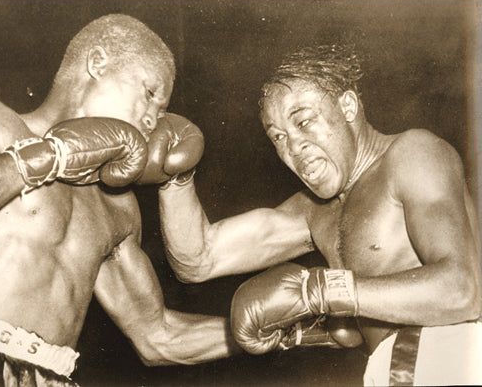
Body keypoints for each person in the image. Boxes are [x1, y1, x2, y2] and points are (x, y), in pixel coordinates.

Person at [0, 14, 238, 387]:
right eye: (149, 94)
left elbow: (158, 336)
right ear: (97, 63)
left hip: (51, 377)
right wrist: (47, 158)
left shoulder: (117, 205)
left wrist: (265, 330)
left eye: (162, 111)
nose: (152, 120)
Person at [158, 44, 482, 386]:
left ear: (347, 106)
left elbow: (463, 290)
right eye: (279, 137)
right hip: (389, 367)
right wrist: (174, 175)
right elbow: (197, 260)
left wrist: (320, 291)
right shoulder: (314, 210)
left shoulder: (411, 154)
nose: (293, 147)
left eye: (304, 121)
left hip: (443, 354)